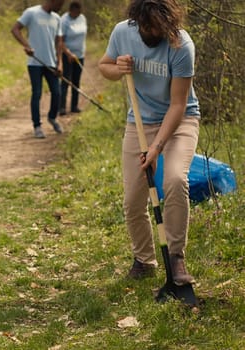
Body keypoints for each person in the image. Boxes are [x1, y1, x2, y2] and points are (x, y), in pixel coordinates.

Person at [98, 0, 200, 285]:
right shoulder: (123, 32)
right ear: (138, 19)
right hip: (139, 122)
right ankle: (144, 260)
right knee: (133, 200)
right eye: (146, 26)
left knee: (175, 181)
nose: (150, 32)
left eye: (157, 27)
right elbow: (103, 67)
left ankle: (176, 259)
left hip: (180, 121)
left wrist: (155, 149)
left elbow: (178, 105)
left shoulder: (181, 45)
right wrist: (117, 69)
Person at [12, 0, 66, 139]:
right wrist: (27, 46)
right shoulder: (32, 13)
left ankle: (52, 118)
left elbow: (59, 42)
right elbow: (15, 29)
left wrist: (60, 63)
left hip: (51, 62)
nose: (60, 8)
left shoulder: (57, 18)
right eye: (59, 4)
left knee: (57, 92)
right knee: (37, 93)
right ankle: (37, 126)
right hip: (34, 62)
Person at [59, 1, 87, 115]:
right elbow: (60, 41)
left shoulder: (82, 18)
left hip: (80, 55)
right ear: (71, 10)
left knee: (76, 81)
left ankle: (74, 106)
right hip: (68, 56)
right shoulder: (64, 20)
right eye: (76, 12)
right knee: (66, 80)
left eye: (79, 12)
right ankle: (61, 107)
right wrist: (68, 53)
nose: (77, 14)